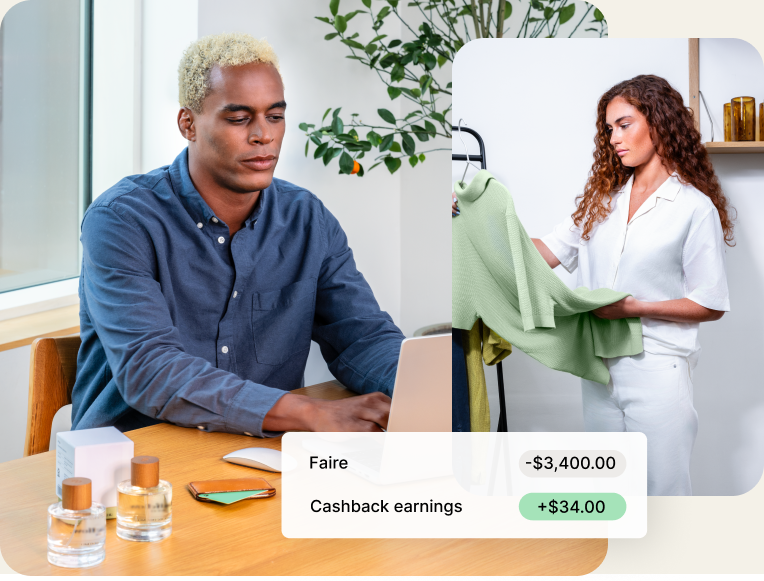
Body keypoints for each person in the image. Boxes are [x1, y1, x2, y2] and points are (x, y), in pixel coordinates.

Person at [70, 33, 403, 437]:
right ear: (188, 124)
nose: (263, 135)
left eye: (275, 116)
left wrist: (420, 388)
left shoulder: (306, 218)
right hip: (134, 465)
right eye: (239, 119)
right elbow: (150, 368)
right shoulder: (122, 220)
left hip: (263, 459)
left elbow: (362, 336)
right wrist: (308, 413)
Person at [452, 75, 732, 495]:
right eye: (609, 129)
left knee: (664, 493)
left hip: (657, 367)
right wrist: (477, 221)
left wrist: (633, 308)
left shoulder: (692, 207)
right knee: (611, 490)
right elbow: (541, 253)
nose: (615, 137)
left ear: (658, 122)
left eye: (624, 124)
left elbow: (710, 304)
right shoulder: (604, 200)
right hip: (599, 367)